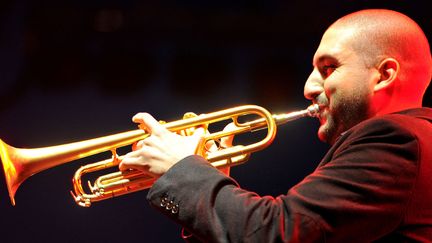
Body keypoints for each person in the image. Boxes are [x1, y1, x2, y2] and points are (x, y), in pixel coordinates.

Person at [120, 9, 432, 242]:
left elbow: (276, 233)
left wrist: (183, 170)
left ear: (385, 74)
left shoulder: (396, 140)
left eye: (329, 67)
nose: (309, 87)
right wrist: (207, 181)